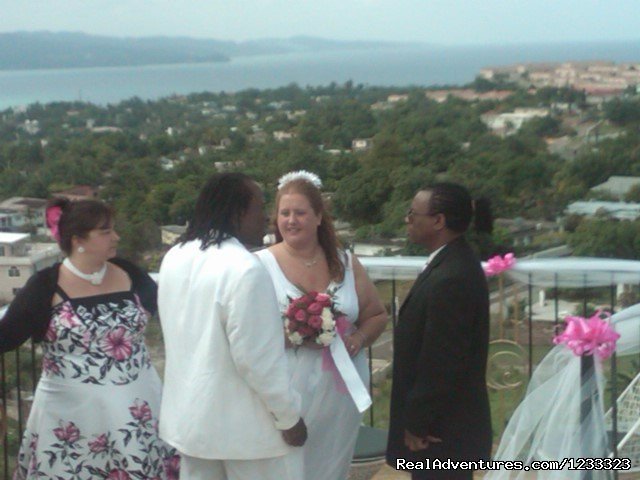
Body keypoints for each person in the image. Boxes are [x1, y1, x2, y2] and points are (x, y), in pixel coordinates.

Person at [0, 197, 179, 479]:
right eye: (106, 231)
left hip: (137, 413)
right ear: (77, 239)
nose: (116, 237)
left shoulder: (131, 273)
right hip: (71, 421)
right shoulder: (45, 285)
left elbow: (173, 315)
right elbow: (6, 337)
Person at [157, 172, 307, 480]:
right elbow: (258, 360)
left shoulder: (175, 256)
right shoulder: (244, 269)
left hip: (193, 428)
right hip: (249, 437)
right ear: (238, 213)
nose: (266, 217)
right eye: (260, 207)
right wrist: (289, 418)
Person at [255, 170, 387, 480]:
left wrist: (356, 340)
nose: (291, 220)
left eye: (300, 213)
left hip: (340, 393)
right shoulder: (259, 265)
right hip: (289, 395)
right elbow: (249, 335)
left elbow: (376, 315)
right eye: (284, 213)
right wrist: (296, 335)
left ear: (318, 216)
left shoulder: (346, 262)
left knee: (331, 468)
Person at [386, 182, 492, 480]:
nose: (408, 219)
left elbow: (442, 362)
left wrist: (418, 423)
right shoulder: (450, 263)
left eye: (412, 213)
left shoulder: (452, 278)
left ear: (438, 220)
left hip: (442, 434)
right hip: (443, 430)